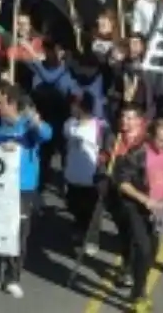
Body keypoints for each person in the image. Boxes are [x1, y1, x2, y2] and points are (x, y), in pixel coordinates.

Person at [0, 82, 52, 299]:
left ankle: (12, 277)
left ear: (12, 104)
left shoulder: (27, 124)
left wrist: (35, 121)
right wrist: (0, 148)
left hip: (22, 188)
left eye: (1, 101)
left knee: (18, 233)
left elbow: (47, 135)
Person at [110, 107, 163, 313]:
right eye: (161, 141)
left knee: (152, 250)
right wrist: (144, 199)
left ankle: (137, 276)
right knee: (141, 246)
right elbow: (123, 182)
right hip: (134, 205)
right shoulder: (137, 154)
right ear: (151, 137)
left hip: (159, 207)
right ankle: (139, 291)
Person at [63, 91, 109, 255]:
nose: (71, 107)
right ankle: (79, 231)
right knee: (75, 207)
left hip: (91, 179)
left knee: (92, 211)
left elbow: (106, 150)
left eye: (74, 104)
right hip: (73, 177)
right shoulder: (69, 124)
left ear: (82, 107)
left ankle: (91, 239)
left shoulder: (99, 127)